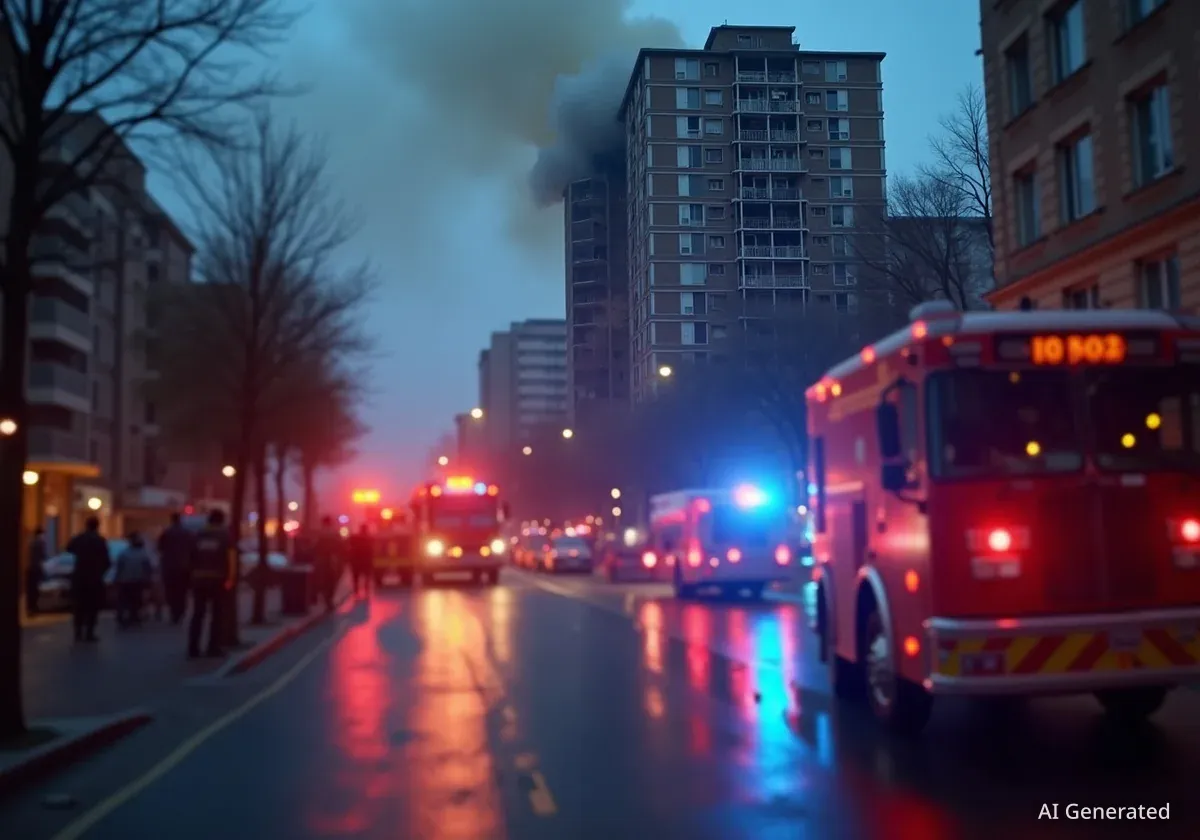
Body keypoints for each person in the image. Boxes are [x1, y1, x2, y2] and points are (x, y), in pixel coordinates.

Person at [188, 509, 236, 658]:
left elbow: (190, 557)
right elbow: (231, 560)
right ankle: (213, 647)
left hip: (199, 579)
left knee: (198, 614)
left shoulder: (197, 535)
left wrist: (192, 576)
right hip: (218, 579)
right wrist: (230, 579)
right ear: (222, 521)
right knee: (217, 615)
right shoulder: (225, 536)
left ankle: (193, 648)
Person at [67, 517, 110, 643]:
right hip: (94, 578)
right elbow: (106, 561)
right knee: (92, 606)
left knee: (79, 606)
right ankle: (89, 633)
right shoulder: (100, 541)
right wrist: (100, 572)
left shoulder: (80, 538)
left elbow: (69, 548)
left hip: (80, 577)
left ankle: (78, 632)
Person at [157, 512, 193, 624]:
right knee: (182, 591)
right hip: (184, 567)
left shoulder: (167, 533)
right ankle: (180, 611)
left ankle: (174, 612)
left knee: (171, 591)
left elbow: (160, 548)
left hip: (170, 567)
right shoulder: (187, 533)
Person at [114, 532, 153, 627]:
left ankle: (122, 616)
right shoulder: (143, 554)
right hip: (137, 580)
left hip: (125, 580)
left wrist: (117, 579)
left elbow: (119, 567)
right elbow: (148, 569)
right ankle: (133, 616)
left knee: (123, 600)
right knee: (135, 600)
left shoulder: (124, 554)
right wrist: (148, 580)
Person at [314, 516, 343, 611]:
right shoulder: (334, 533)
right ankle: (329, 599)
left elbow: (315, 547)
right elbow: (340, 546)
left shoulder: (318, 533)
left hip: (321, 560)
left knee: (322, 581)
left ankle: (324, 599)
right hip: (332, 561)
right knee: (331, 581)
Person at [26, 528, 47, 617]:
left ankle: (30, 608)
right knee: (35, 590)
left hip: (30, 568)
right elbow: (43, 556)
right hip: (36, 568)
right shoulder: (40, 543)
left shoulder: (31, 542)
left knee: (30, 590)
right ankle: (33, 608)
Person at [349, 524, 374, 598]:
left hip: (356, 561)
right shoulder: (369, 538)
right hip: (366, 561)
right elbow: (372, 549)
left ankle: (356, 592)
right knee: (367, 577)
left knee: (356, 577)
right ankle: (366, 592)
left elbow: (350, 546)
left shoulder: (355, 538)